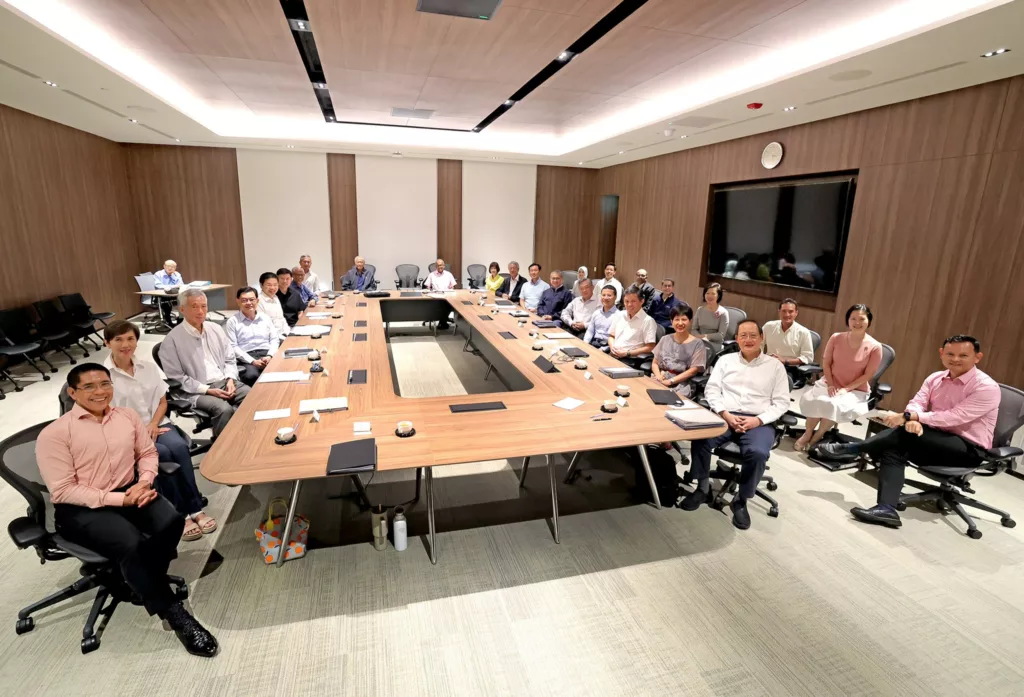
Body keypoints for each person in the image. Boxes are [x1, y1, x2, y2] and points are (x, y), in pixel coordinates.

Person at [35, 363, 219, 657]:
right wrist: (122, 500)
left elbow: (147, 453)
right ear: (72, 392)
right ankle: (173, 612)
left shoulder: (126, 417)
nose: (100, 392)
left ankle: (143, 580)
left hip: (131, 491)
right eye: (89, 387)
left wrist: (145, 482)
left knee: (172, 521)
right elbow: (63, 490)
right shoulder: (55, 434)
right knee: (129, 543)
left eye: (105, 384)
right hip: (81, 508)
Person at [818, 335, 1000, 529]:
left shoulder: (987, 388)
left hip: (968, 449)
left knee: (903, 434)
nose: (955, 359)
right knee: (894, 447)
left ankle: (853, 448)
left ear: (977, 357)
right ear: (941, 354)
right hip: (933, 438)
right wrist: (914, 419)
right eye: (950, 354)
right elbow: (918, 403)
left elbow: (955, 417)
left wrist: (912, 418)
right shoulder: (935, 378)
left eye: (963, 355)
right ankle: (886, 509)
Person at [102, 321, 215, 541]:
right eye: (118, 340)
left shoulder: (148, 367)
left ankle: (195, 507)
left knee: (180, 448)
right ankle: (179, 514)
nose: (126, 344)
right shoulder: (104, 376)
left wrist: (153, 424)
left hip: (157, 423)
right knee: (161, 455)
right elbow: (107, 416)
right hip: (128, 432)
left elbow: (163, 401)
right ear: (107, 343)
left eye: (130, 339)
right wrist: (140, 431)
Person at [680, 320, 789, 530]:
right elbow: (712, 390)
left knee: (757, 453)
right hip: (725, 416)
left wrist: (757, 420)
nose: (748, 340)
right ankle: (703, 489)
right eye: (743, 336)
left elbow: (782, 402)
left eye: (753, 336)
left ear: (761, 338)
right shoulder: (725, 361)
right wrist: (725, 414)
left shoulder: (775, 367)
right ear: (737, 339)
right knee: (700, 438)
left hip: (758, 420)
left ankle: (741, 499)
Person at [159, 289, 250, 438]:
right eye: (194, 306)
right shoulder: (171, 341)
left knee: (253, 397)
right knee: (223, 409)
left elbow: (229, 358)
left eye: (204, 306)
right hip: (194, 390)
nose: (201, 311)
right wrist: (207, 390)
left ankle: (246, 438)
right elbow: (177, 378)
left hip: (223, 381)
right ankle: (222, 451)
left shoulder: (215, 328)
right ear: (182, 309)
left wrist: (230, 379)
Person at [794, 304, 882, 451]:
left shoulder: (875, 347)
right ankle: (808, 432)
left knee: (834, 404)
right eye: (853, 318)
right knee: (817, 399)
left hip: (855, 389)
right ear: (847, 320)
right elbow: (826, 363)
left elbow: (868, 375)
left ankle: (819, 435)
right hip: (830, 381)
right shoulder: (836, 338)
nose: (857, 322)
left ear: (869, 321)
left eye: (862, 319)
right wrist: (830, 384)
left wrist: (845, 389)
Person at [224, 287, 281, 387]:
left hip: (267, 353)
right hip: (247, 357)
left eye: (251, 299)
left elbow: (274, 339)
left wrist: (270, 355)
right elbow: (233, 346)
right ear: (238, 301)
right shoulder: (232, 321)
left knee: (281, 370)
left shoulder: (265, 318)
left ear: (257, 300)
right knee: (251, 375)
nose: (249, 303)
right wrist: (252, 361)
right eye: (244, 300)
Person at [651, 305, 706, 397]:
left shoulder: (698, 344)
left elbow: (693, 370)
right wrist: (658, 377)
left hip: (681, 384)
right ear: (672, 321)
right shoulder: (665, 339)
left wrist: (670, 381)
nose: (680, 323)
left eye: (684, 319)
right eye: (677, 319)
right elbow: (655, 363)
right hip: (661, 377)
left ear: (690, 321)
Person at [762, 298, 814, 388]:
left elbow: (808, 357)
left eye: (790, 311)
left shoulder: (803, 332)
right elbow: (758, 346)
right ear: (779, 312)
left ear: (796, 313)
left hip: (790, 368)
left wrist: (784, 361)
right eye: (784, 311)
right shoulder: (768, 326)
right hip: (768, 363)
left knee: (776, 382)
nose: (787, 315)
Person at [607, 289, 657, 365]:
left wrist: (627, 353)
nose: (629, 304)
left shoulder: (648, 321)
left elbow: (650, 347)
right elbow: (611, 336)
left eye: (633, 301)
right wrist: (612, 347)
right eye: (626, 301)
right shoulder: (620, 315)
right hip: (613, 354)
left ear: (642, 301)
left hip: (629, 359)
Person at [692, 282, 729, 353]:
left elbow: (721, 335)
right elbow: (694, 329)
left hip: (714, 344)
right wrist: (699, 337)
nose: (709, 296)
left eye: (713, 294)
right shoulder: (700, 309)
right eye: (707, 293)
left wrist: (705, 336)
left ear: (718, 296)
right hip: (699, 340)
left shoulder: (723, 313)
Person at [424, 258, 457, 330]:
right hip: (436, 297)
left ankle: (442, 322)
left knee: (450, 304)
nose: (440, 267)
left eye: (441, 265)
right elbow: (427, 287)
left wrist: (450, 291)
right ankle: (443, 322)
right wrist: (428, 291)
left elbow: (453, 286)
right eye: (438, 265)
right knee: (443, 305)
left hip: (447, 296)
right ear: (436, 266)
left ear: (444, 266)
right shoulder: (431, 275)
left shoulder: (449, 274)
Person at [153, 260, 183, 328]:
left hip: (174, 294)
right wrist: (172, 286)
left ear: (175, 268)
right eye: (168, 266)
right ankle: (168, 321)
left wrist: (173, 279)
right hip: (162, 295)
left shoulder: (177, 274)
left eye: (172, 267)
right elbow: (158, 285)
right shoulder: (158, 274)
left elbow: (181, 284)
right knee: (166, 302)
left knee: (184, 298)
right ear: (164, 266)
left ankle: (181, 319)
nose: (170, 268)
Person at [257, 272, 288, 337]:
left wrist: (287, 332)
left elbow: (282, 319)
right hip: (271, 338)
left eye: (275, 285)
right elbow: (263, 326)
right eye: (269, 285)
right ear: (261, 285)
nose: (272, 288)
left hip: (283, 334)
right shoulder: (258, 301)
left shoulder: (275, 297)